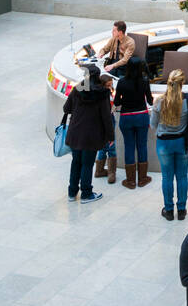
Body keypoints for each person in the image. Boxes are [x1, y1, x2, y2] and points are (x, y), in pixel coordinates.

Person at [151, 68, 188, 221]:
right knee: (182, 176)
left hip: (164, 143)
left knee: (167, 177)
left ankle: (169, 209)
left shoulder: (159, 101)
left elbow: (153, 124)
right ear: (182, 83)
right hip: (183, 143)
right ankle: (181, 209)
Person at [64, 63, 113, 203]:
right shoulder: (103, 93)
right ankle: (86, 193)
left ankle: (72, 193)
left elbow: (66, 108)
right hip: (92, 135)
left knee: (76, 162)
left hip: (76, 132)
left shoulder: (77, 89)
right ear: (97, 77)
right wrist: (110, 136)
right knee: (87, 164)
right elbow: (106, 117)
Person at [113, 55, 153, 190]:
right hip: (141, 116)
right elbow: (150, 100)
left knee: (129, 146)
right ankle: (142, 178)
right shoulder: (145, 81)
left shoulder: (122, 82)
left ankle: (130, 181)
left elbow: (117, 102)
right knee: (142, 146)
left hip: (126, 118)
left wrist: (126, 101)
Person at [93, 74, 118, 184]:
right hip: (107, 122)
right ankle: (111, 174)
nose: (110, 87)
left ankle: (99, 170)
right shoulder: (104, 96)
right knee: (111, 147)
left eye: (111, 85)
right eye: (108, 85)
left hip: (101, 123)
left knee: (103, 146)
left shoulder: (100, 94)